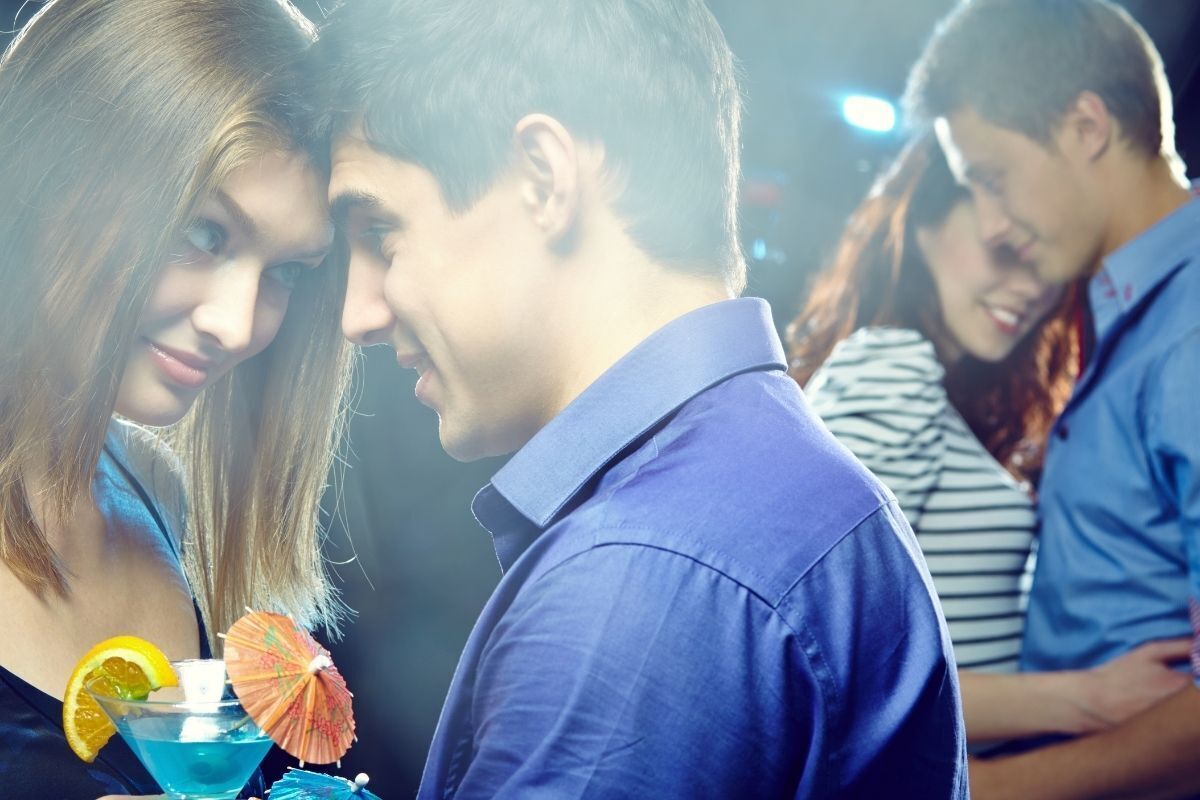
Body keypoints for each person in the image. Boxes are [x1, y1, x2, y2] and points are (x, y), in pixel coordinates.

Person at [315, 0, 967, 797]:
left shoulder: (637, 581)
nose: (358, 316)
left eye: (380, 233)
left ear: (542, 180)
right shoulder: (796, 492)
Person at [0, 0, 351, 796]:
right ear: (51, 175)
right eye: (204, 233)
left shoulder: (158, 492)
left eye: (287, 273)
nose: (237, 324)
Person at [790, 132, 1192, 745]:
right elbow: (836, 668)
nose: (1031, 288)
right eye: (1003, 252)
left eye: (1042, 261)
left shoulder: (953, 393)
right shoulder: (891, 367)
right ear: (922, 229)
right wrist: (1085, 701)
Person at [904, 0, 1200, 796]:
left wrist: (996, 792)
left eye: (993, 180)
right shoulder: (1132, 313)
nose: (993, 226)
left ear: (1084, 126)